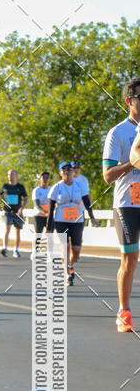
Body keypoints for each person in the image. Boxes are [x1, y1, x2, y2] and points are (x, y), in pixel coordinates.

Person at [105, 81, 140, 332]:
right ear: (129, 101)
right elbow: (107, 175)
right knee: (130, 259)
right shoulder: (118, 133)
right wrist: (132, 162)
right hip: (127, 203)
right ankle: (123, 311)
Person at [47, 161, 98, 286]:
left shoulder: (80, 185)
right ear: (60, 173)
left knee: (76, 251)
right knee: (65, 247)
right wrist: (49, 228)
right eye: (64, 170)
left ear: (72, 172)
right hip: (61, 221)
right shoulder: (56, 188)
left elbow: (87, 203)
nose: (67, 171)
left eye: (69, 169)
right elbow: (51, 209)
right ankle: (67, 275)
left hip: (77, 220)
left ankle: (70, 265)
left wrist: (92, 218)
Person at [0, 169, 27, 257]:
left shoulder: (20, 187)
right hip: (8, 211)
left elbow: (26, 197)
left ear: (16, 176)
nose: (10, 176)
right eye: (9, 174)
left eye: (12, 174)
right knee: (7, 229)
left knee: (17, 231)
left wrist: (22, 208)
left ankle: (16, 250)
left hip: (17, 212)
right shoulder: (5, 186)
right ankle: (5, 248)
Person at [31, 171, 50, 255]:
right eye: (43, 177)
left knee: (50, 234)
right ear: (40, 179)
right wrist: (45, 212)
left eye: (47, 177)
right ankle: (35, 251)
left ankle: (50, 252)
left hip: (48, 216)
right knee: (38, 234)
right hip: (39, 215)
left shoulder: (51, 189)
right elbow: (37, 205)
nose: (45, 179)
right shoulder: (36, 190)